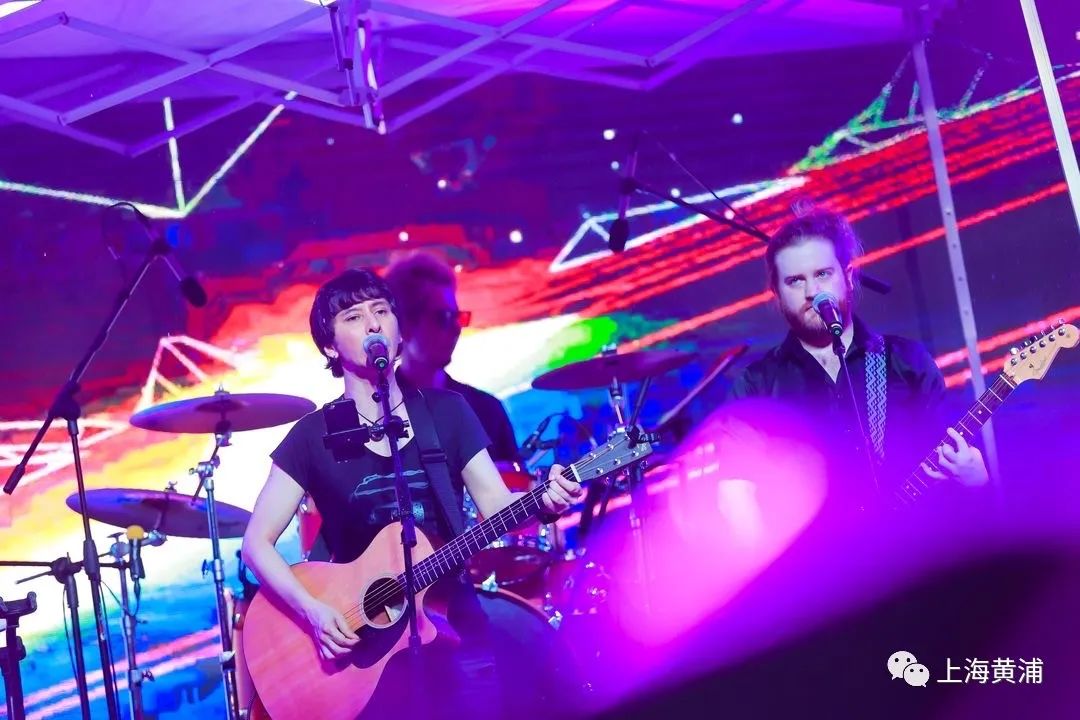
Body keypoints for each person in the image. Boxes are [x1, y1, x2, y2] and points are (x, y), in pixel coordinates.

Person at [241, 267, 583, 718]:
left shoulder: (447, 413)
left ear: (399, 331)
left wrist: (544, 503)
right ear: (329, 346)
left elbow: (499, 506)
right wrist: (313, 612)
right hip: (362, 655)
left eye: (381, 311)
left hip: (455, 632)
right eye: (353, 317)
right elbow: (256, 544)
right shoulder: (311, 437)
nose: (373, 324)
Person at [728, 209, 988, 508]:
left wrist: (978, 479)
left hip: (915, 535)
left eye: (823, 274)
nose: (812, 292)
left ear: (848, 277)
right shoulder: (756, 387)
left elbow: (952, 472)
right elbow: (736, 495)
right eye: (796, 281)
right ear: (777, 293)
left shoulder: (905, 361)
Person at [384, 250, 520, 464]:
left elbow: (516, 481)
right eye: (443, 317)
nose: (457, 328)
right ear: (404, 326)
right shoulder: (376, 415)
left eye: (457, 316)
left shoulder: (487, 409)